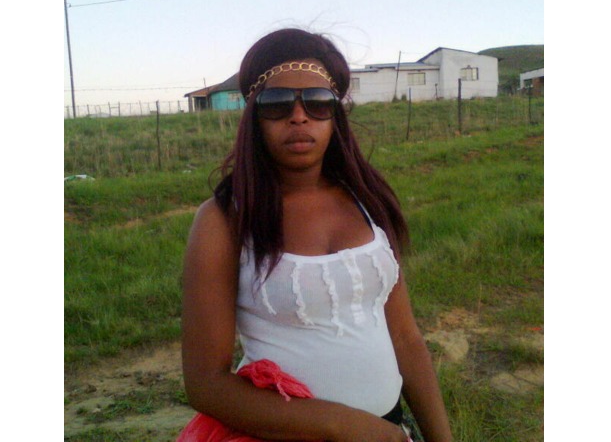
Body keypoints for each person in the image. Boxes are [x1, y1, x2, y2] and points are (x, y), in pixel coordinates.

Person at [181, 28, 453, 442]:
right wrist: (343, 425)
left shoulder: (368, 201)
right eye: (276, 103)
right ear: (254, 117)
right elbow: (205, 383)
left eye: (318, 101)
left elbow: (405, 338)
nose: (299, 115)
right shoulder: (224, 220)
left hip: (388, 428)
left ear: (335, 115)